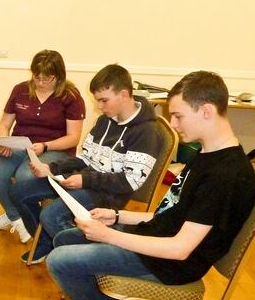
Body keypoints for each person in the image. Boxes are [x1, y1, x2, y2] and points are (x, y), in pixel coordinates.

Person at [47, 70, 255, 300]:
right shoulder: (207, 155)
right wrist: (116, 216)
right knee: (67, 238)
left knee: (60, 260)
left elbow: (181, 249)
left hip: (170, 264)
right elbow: (168, 215)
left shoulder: (227, 175)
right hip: (157, 243)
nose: (172, 124)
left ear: (206, 111)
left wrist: (110, 235)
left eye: (179, 116)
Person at [10, 64, 164, 263]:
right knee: (18, 192)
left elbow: (129, 182)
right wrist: (52, 168)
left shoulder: (147, 132)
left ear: (124, 95)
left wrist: (85, 179)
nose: (99, 107)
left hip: (109, 194)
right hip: (86, 179)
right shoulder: (105, 121)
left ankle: (84, 258)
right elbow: (85, 158)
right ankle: (49, 241)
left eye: (103, 100)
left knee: (50, 216)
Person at [0, 50, 86, 243]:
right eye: (36, 77)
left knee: (26, 176)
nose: (40, 83)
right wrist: (3, 139)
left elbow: (73, 138)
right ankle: (16, 217)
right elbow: (4, 124)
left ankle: (21, 218)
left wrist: (45, 146)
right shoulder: (20, 90)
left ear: (58, 76)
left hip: (54, 149)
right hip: (20, 144)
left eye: (46, 79)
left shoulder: (70, 96)